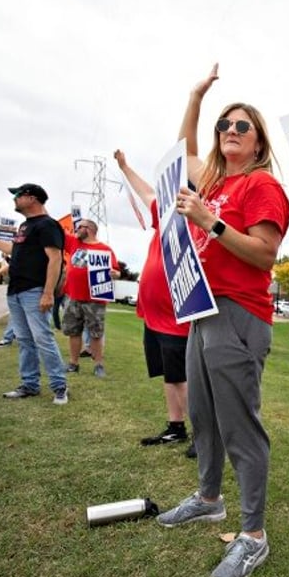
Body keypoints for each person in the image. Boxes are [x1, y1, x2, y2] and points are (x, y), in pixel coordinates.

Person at [155, 65, 289, 577]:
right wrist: (195, 95)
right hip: (202, 311)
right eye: (223, 126)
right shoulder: (214, 182)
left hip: (239, 313)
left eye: (241, 127)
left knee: (240, 426)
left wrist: (209, 222)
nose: (229, 132)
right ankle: (209, 500)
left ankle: (253, 536)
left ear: (257, 142)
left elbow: (263, 254)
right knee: (203, 417)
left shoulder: (262, 185)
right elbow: (183, 153)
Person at [113, 149, 192, 451]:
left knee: (185, 378)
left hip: (178, 318)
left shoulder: (199, 222)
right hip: (155, 317)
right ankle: (176, 427)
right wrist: (126, 167)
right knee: (170, 377)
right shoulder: (166, 216)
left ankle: (205, 433)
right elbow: (146, 191)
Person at [0, 183, 69, 405]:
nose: (14, 199)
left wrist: (48, 293)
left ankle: (59, 386)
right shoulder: (25, 226)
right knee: (25, 340)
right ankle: (30, 385)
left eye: (17, 195)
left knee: (43, 338)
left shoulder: (48, 225)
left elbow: (55, 259)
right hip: (15, 291)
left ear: (32, 198)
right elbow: (14, 251)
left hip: (34, 291)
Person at [60, 219, 120, 377]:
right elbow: (57, 229)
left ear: (90, 229)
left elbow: (117, 270)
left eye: (80, 227)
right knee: (74, 331)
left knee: (96, 333)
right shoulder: (73, 243)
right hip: (73, 296)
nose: (76, 229)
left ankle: (98, 365)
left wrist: (115, 274)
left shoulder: (104, 249)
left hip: (95, 299)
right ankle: (74, 363)